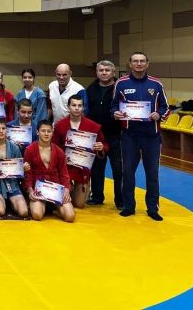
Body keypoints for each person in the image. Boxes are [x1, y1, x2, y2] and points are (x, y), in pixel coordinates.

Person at [111, 52, 168, 221]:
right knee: (128, 172)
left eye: (142, 61)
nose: (139, 64)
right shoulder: (121, 83)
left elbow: (166, 107)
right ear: (130, 64)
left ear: (147, 64)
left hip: (152, 136)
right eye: (135, 61)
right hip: (129, 136)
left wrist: (159, 114)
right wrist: (115, 113)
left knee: (152, 174)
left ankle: (152, 208)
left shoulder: (156, 84)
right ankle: (129, 206)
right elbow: (113, 106)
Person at [52, 95, 108, 208]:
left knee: (79, 204)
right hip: (65, 167)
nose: (77, 108)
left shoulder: (93, 126)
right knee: (62, 199)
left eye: (79, 105)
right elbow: (54, 147)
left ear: (83, 107)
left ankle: (80, 188)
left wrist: (101, 147)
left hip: (82, 169)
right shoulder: (59, 126)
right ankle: (67, 187)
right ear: (68, 106)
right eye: (73, 105)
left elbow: (105, 144)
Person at [85, 60, 123, 209]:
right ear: (96, 72)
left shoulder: (120, 87)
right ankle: (97, 197)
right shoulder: (90, 89)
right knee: (96, 169)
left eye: (107, 70)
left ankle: (120, 200)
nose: (104, 73)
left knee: (118, 169)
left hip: (116, 135)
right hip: (96, 136)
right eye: (101, 70)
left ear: (113, 72)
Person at [24, 120, 75, 223]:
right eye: (43, 131)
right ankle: (44, 206)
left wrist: (66, 190)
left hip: (56, 189)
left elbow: (64, 173)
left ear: (52, 132)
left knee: (70, 217)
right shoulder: (30, 150)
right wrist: (30, 191)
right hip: (38, 189)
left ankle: (53, 206)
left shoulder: (59, 151)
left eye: (49, 131)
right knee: (37, 215)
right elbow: (28, 174)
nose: (46, 134)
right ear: (37, 132)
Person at [0, 118, 30, 218]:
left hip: (12, 184)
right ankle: (2, 201)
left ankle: (11, 202)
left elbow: (19, 170)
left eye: (3, 128)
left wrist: (23, 169)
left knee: (24, 212)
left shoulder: (14, 147)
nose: (1, 131)